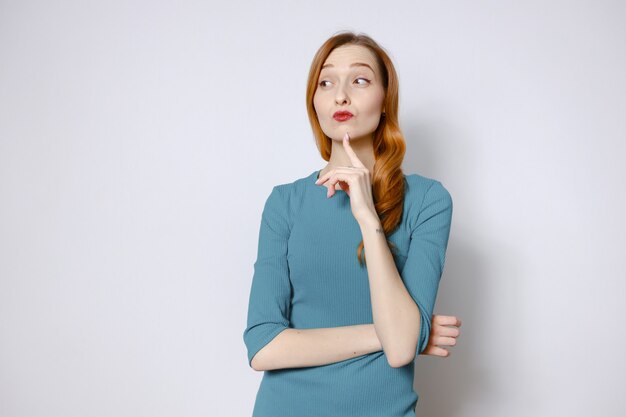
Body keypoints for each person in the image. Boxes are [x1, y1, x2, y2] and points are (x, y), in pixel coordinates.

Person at [243, 31, 461, 417]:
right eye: (326, 82)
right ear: (315, 102)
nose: (340, 95)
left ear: (385, 99)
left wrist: (366, 214)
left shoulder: (428, 201)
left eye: (359, 80)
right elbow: (263, 347)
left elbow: (398, 352)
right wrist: (406, 332)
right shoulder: (285, 203)